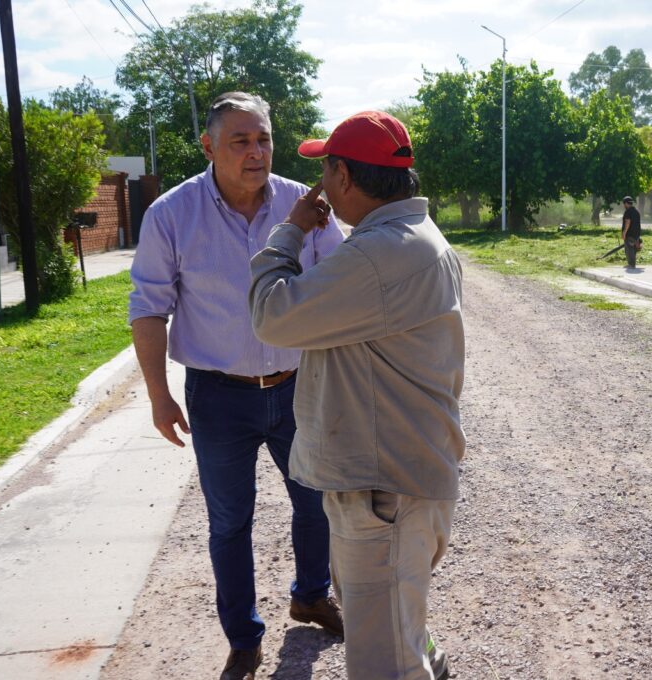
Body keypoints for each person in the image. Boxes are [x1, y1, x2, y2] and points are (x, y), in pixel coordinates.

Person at [128, 91, 345, 680]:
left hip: (298, 385)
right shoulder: (172, 214)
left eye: (264, 139)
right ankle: (243, 636)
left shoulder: (305, 205)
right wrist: (158, 394)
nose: (256, 152)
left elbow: (342, 288)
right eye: (240, 141)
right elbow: (149, 309)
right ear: (209, 146)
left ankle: (310, 593)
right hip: (218, 395)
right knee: (229, 521)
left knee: (317, 502)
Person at [248, 110, 465, 680]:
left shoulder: (376, 256)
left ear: (343, 176)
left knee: (383, 663)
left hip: (383, 490)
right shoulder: (415, 238)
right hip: (400, 483)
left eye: (325, 170)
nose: (320, 184)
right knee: (400, 627)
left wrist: (289, 231)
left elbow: (272, 316)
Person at [621, 195, 643, 268]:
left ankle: (631, 264)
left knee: (629, 249)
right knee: (633, 249)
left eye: (624, 204)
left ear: (626, 203)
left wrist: (624, 232)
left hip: (630, 233)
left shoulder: (628, 211)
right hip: (636, 234)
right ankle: (632, 264)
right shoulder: (636, 211)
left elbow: (628, 222)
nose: (624, 205)